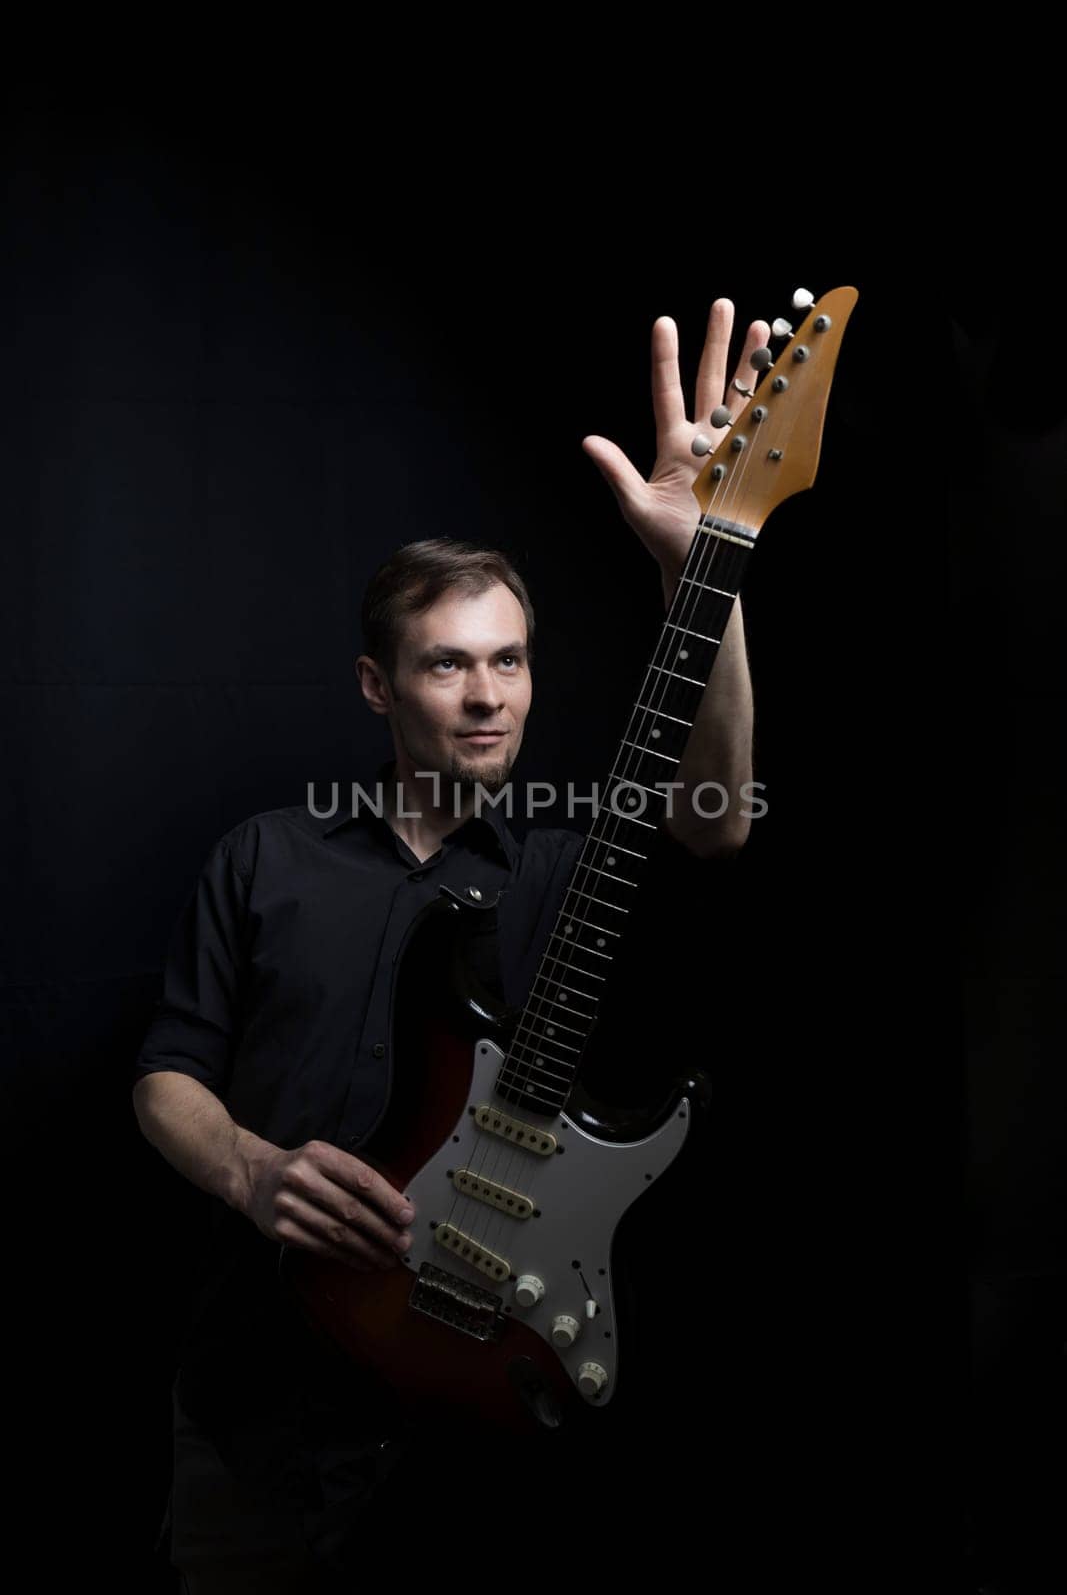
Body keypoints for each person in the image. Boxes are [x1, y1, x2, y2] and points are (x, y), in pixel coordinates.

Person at [131, 299, 765, 1591]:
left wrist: (706, 570)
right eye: (448, 666)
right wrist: (253, 1171)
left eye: (512, 663)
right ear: (378, 687)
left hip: (478, 1423)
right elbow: (163, 1081)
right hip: (265, 1406)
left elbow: (717, 817)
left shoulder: (560, 863)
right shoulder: (266, 858)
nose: (488, 698)